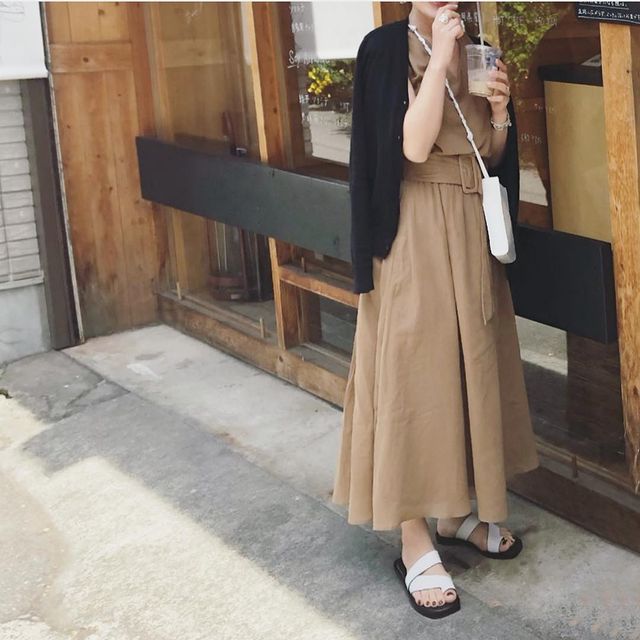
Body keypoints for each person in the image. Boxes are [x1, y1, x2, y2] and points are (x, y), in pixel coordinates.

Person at [331, 1, 540, 619]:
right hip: (413, 227)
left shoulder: (478, 47)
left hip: (470, 224)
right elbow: (414, 147)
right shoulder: (384, 49)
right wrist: (441, 51)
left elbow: (490, 154)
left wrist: (499, 114)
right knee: (415, 375)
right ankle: (414, 535)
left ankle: (454, 513)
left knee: (469, 366)